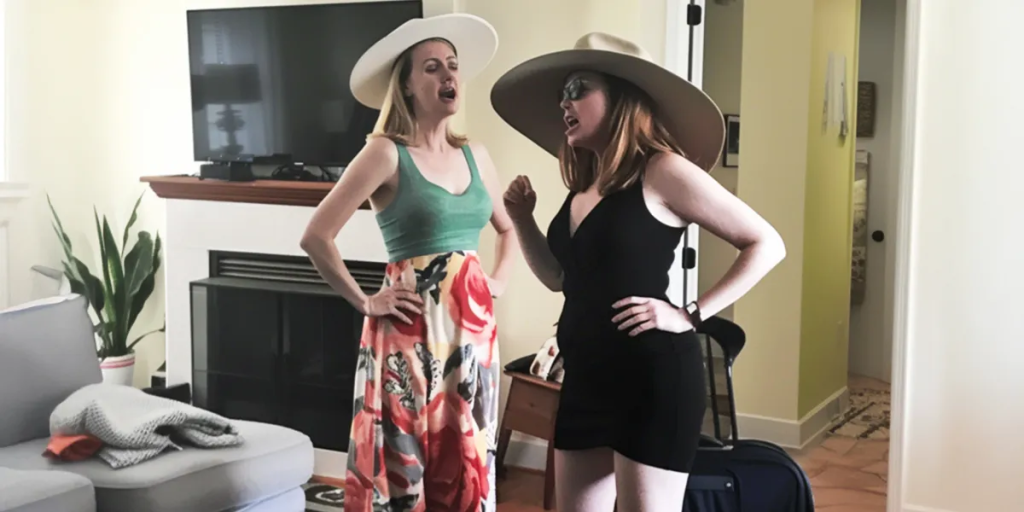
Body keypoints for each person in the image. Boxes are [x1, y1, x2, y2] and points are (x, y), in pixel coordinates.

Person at [493, 33, 787, 511]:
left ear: (622, 99)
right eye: (562, 92)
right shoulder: (586, 184)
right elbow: (560, 279)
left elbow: (766, 244)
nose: (563, 102)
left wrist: (689, 314)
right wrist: (522, 220)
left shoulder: (663, 171)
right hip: (585, 380)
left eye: (577, 88)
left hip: (652, 381)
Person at [300, 14, 516, 512]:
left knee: (467, 458)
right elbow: (316, 236)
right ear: (407, 86)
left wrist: (496, 282)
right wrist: (365, 300)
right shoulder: (385, 153)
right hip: (409, 336)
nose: (448, 75)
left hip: (472, 340)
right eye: (432, 68)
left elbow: (509, 229)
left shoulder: (477, 155)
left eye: (453, 66)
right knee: (407, 463)